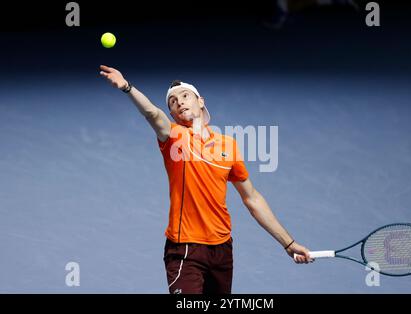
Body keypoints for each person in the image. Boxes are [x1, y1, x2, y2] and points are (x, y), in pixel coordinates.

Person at [99, 65, 312, 294]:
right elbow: (152, 113)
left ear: (200, 101)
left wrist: (288, 243)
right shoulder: (173, 137)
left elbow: (252, 199)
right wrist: (127, 87)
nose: (179, 102)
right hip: (185, 250)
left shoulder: (228, 146)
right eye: (173, 102)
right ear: (172, 115)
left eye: (185, 96)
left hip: (222, 250)